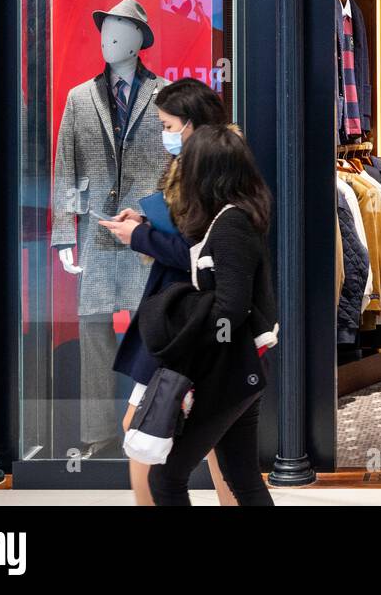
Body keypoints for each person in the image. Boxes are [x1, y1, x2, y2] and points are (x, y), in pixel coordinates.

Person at [98, 77, 236, 505]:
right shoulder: (200, 169)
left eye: (168, 124)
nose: (164, 134)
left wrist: (138, 237)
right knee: (215, 444)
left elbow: (199, 254)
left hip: (185, 319)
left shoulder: (210, 175)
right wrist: (144, 223)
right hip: (182, 315)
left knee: (145, 429)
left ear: (191, 126)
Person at [138, 125, 278, 506]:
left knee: (167, 476)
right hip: (238, 367)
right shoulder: (232, 217)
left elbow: (231, 307)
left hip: (228, 371)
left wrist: (201, 353)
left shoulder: (232, 223)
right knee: (242, 476)